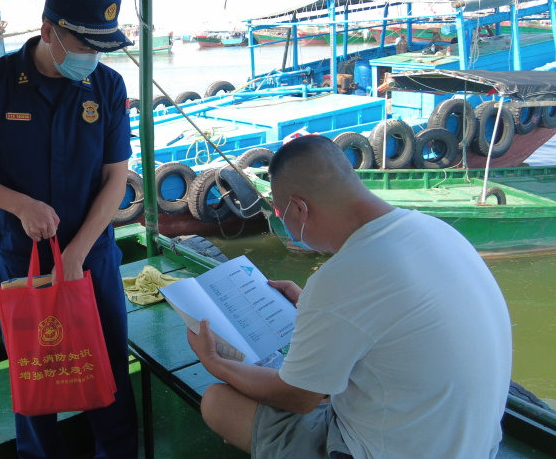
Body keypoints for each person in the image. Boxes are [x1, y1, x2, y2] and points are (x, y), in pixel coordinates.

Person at [187, 134, 512, 458]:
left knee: (219, 401)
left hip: (384, 451)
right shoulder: (436, 230)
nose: (284, 225)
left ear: (299, 209)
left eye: (281, 216)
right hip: (477, 446)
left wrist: (216, 363)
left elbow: (298, 398)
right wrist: (311, 305)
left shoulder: (340, 278)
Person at [0, 0, 137, 458]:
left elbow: (117, 177)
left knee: (108, 368)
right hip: (22, 260)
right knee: (35, 374)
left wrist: (77, 252)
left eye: (101, 45)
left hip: (92, 257)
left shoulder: (107, 86)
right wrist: (20, 205)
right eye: (83, 43)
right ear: (48, 30)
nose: (92, 55)